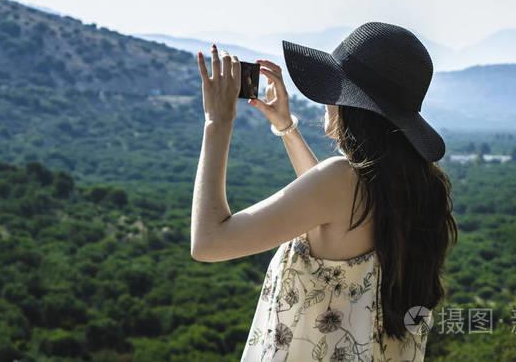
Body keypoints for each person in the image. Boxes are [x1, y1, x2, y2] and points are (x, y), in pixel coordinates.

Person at [192, 22, 458, 361]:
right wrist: (286, 129)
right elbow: (332, 216)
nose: (327, 102)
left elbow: (209, 243)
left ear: (354, 104)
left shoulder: (341, 181)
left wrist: (218, 122)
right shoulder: (416, 190)